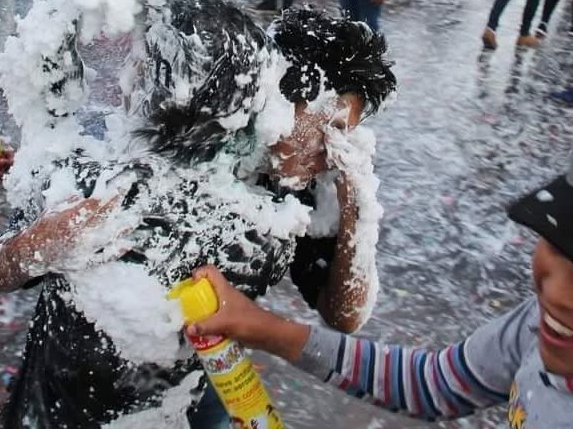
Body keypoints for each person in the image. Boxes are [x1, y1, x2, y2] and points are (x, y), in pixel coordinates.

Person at [0, 0, 396, 427]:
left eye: (347, 136)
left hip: (184, 403)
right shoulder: (118, 153)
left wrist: (358, 203)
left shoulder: (301, 195)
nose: (333, 153)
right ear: (281, 98)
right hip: (56, 406)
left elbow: (344, 317)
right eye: (331, 129)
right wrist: (45, 243)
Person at [186, 152, 573, 428]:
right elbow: (435, 384)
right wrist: (264, 328)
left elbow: (346, 311)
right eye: (558, 246)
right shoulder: (535, 327)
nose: (556, 293)